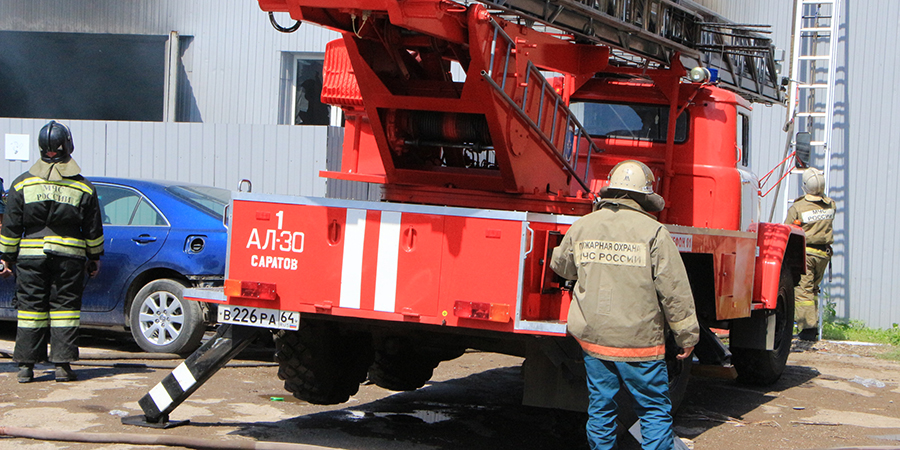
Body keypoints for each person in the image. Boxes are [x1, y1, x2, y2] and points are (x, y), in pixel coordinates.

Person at [550, 160, 699, 450]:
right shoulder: (654, 232)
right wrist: (687, 336)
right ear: (644, 196)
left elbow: (562, 267)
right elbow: (675, 292)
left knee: (601, 409)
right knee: (653, 410)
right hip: (639, 343)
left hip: (595, 340)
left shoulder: (583, 226)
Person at [0, 120, 104, 383]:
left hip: (30, 258)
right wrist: (94, 257)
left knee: (30, 309)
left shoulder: (21, 184)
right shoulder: (83, 187)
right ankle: (62, 366)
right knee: (64, 309)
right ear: (68, 146)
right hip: (69, 259)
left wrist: (6, 258)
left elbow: (11, 225)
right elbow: (92, 228)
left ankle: (26, 367)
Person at [785, 167, 835, 342]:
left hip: (805, 255)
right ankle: (812, 326)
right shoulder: (831, 204)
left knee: (803, 291)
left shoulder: (798, 207)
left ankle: (807, 329)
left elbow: (787, 230)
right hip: (824, 255)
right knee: (812, 289)